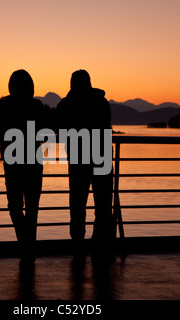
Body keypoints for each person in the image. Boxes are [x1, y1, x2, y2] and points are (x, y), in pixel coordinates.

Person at [57, 70, 116, 248]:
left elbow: (61, 129)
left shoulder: (66, 105)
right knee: (104, 207)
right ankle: (100, 246)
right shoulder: (102, 102)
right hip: (102, 159)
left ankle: (78, 246)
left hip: (78, 161)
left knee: (77, 207)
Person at [0, 69, 44, 257]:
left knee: (15, 206)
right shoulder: (36, 105)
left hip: (12, 161)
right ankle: (28, 246)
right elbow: (41, 132)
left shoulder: (4, 105)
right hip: (33, 161)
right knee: (32, 207)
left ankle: (23, 244)